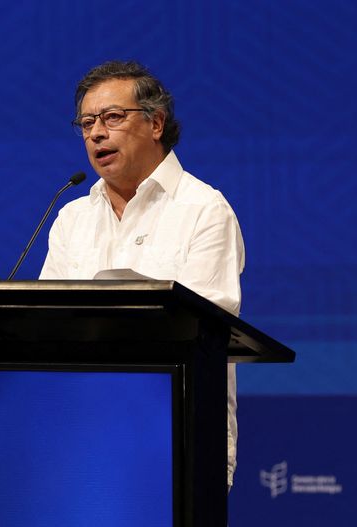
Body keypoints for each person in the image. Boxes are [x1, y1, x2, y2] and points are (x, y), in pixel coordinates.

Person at [39, 60, 244, 490]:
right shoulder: (70, 219)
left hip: (173, 440)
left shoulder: (204, 211)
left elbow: (207, 329)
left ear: (156, 124)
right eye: (87, 122)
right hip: (80, 442)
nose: (96, 133)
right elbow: (43, 327)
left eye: (112, 117)